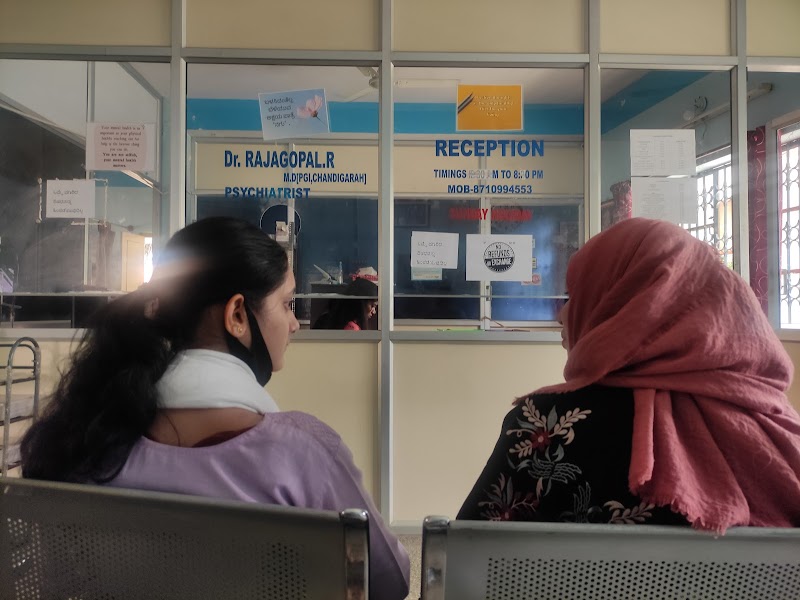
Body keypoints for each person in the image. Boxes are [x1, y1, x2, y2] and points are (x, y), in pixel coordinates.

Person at [21, 217, 409, 600]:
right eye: (287, 304)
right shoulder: (304, 453)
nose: (294, 324)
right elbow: (388, 582)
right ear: (237, 315)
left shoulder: (83, 442)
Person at [458, 217, 800, 533]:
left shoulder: (544, 423)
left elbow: (471, 559)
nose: (563, 314)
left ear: (621, 304)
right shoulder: (778, 433)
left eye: (578, 296)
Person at [313, 277, 378, 331]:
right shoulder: (352, 328)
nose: (374, 311)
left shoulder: (329, 317)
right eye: (372, 306)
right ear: (359, 304)